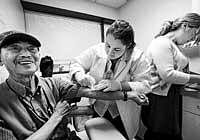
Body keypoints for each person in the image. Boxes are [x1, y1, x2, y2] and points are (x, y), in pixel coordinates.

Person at [0, 30, 148, 140]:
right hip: (100, 110)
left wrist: (127, 93)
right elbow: (77, 64)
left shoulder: (53, 83)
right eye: (14, 48)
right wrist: (80, 75)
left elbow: (91, 92)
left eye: (32, 49)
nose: (26, 54)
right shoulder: (2, 102)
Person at [70, 19, 152, 140]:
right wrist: (80, 76)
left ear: (128, 45)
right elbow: (76, 63)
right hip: (98, 106)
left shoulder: (138, 57)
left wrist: (120, 85)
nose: (109, 52)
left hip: (123, 111)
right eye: (108, 45)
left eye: (117, 49)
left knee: (122, 135)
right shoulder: (96, 50)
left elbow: (145, 85)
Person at [141, 13, 200, 140]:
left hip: (170, 95)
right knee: (160, 135)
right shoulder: (161, 42)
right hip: (159, 98)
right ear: (185, 26)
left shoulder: (175, 46)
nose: (193, 39)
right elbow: (167, 74)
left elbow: (179, 72)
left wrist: (194, 77)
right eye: (194, 34)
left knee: (170, 135)